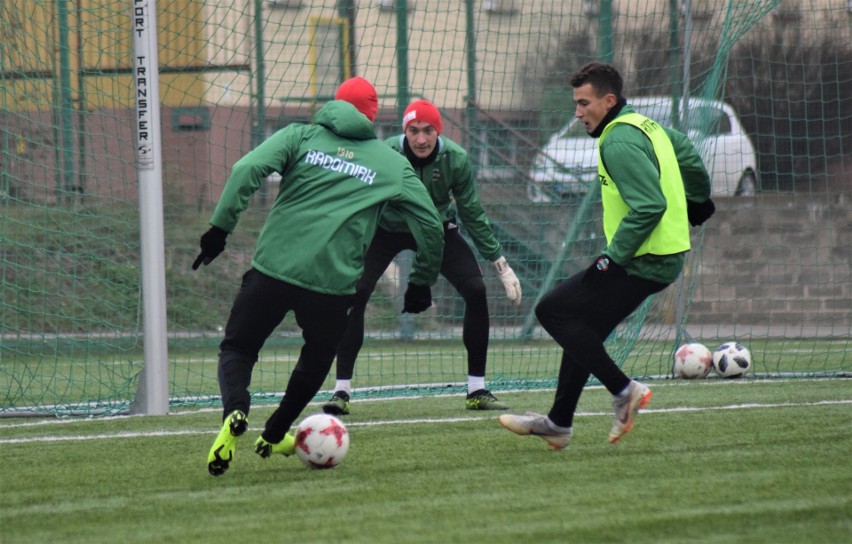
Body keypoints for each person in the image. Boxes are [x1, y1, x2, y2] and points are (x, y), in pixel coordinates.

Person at [194, 77, 445, 476]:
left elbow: (247, 168)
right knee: (315, 359)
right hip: (331, 285)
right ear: (372, 117)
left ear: (334, 105)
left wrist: (219, 229)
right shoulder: (390, 162)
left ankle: (236, 410)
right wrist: (420, 281)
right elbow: (431, 225)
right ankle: (275, 430)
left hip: (273, 269)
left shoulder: (299, 135)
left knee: (238, 349)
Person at [498, 62, 715, 449]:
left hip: (642, 260)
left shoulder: (617, 140)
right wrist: (699, 200)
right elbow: (689, 156)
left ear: (608, 100)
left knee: (552, 310)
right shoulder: (648, 126)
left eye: (584, 103)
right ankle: (559, 423)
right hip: (660, 258)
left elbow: (649, 206)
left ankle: (623, 390)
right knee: (584, 330)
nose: (577, 113)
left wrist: (610, 258)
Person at [321, 99, 522, 416]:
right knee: (355, 293)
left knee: (476, 290)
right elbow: (357, 197)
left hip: (436, 229)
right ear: (405, 132)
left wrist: (500, 263)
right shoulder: (384, 152)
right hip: (387, 228)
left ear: (438, 131)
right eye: (413, 131)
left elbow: (471, 213)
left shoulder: (456, 159)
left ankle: (476, 389)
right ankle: (341, 392)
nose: (421, 139)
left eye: (428, 130)